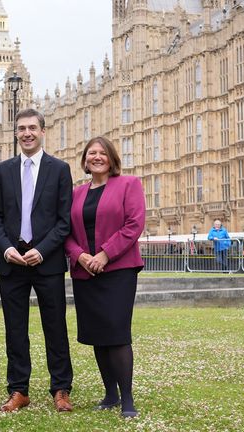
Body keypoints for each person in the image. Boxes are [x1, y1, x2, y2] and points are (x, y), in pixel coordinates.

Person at [0, 108, 74, 413]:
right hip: (12, 262)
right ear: (15, 133)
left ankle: (61, 389)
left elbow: (64, 221)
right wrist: (6, 248)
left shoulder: (60, 169)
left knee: (55, 326)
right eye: (21, 128)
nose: (27, 133)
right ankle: (18, 390)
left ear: (42, 131)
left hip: (46, 261)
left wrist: (45, 249)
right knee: (15, 329)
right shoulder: (3, 170)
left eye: (32, 128)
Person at [65, 136, 145, 418]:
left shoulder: (129, 184)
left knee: (117, 332)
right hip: (85, 272)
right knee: (98, 334)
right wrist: (80, 256)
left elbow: (134, 224)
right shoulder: (77, 194)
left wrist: (104, 254)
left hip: (118, 270)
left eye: (102, 153)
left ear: (111, 158)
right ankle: (110, 394)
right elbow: (66, 232)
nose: (96, 157)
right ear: (85, 161)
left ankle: (127, 399)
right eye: (91, 154)